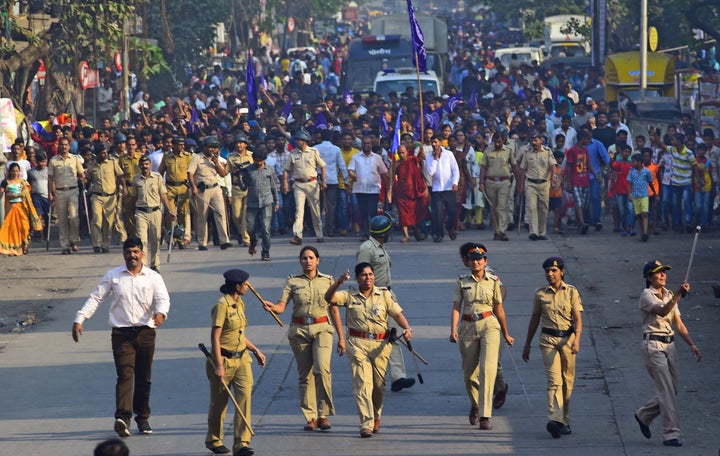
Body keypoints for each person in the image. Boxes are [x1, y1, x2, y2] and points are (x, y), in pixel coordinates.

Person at [72, 238, 171, 437]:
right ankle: (123, 418)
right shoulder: (113, 276)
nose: (132, 255)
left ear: (142, 254)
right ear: (124, 254)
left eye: (135, 252)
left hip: (145, 332)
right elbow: (96, 298)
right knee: (125, 375)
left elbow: (163, 299)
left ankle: (142, 418)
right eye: (128, 252)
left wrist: (161, 313)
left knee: (144, 377)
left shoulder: (152, 277)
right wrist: (80, 319)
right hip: (121, 334)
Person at [324, 262, 414, 438]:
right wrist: (338, 283)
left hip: (381, 346)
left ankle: (376, 415)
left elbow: (397, 314)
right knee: (363, 385)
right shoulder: (349, 295)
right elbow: (329, 299)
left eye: (371, 274)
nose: (368, 278)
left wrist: (407, 328)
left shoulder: (384, 295)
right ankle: (366, 422)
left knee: (379, 386)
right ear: (357, 278)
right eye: (364, 275)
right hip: (358, 344)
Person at [263, 246, 337, 430]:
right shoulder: (292, 282)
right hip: (300, 330)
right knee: (305, 375)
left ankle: (323, 414)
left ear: (318, 260)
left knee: (322, 370)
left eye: (311, 257)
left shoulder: (328, 281)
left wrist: (342, 338)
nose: (308, 261)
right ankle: (310, 417)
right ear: (300, 261)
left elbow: (334, 309)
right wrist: (273, 308)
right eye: (304, 258)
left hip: (322, 328)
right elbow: (282, 306)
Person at [633, 260, 701, 448]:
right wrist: (679, 294)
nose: (662, 275)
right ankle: (671, 434)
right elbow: (663, 312)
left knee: (672, 390)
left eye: (664, 272)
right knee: (667, 392)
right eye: (657, 273)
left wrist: (692, 344)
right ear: (648, 277)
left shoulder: (669, 295)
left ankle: (643, 415)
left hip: (670, 346)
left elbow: (677, 323)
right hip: (653, 346)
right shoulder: (646, 296)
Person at [450, 243, 514, 430]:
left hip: (490, 325)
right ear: (467, 262)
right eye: (472, 259)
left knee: (488, 369)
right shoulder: (462, 281)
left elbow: (499, 309)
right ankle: (475, 404)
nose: (476, 262)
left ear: (486, 261)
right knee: (470, 374)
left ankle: (486, 416)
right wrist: (453, 329)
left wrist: (506, 333)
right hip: (468, 326)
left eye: (480, 259)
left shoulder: (493, 280)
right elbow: (456, 307)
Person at [205, 269, 265, 456]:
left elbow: (239, 334)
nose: (248, 286)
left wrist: (255, 350)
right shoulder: (222, 305)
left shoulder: (240, 304)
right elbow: (215, 336)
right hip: (222, 359)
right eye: (245, 284)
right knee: (219, 403)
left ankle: (241, 443)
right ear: (238, 286)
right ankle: (214, 440)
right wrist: (219, 366)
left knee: (245, 398)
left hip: (242, 359)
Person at [522, 257, 583, 439]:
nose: (550, 274)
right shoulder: (540, 294)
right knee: (554, 381)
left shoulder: (571, 292)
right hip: (548, 339)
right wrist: (527, 344)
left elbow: (578, 318)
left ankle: (564, 420)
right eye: (547, 271)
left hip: (568, 340)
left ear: (561, 272)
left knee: (567, 381)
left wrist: (577, 339)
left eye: (554, 271)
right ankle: (554, 419)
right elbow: (534, 320)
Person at [358, 214, 415, 392]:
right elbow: (362, 274)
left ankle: (398, 376)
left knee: (393, 335)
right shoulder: (367, 248)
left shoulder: (380, 247)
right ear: (385, 233)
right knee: (375, 338)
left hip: (387, 294)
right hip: (375, 297)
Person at [188, 136, 233, 251]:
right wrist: (193, 187)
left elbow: (223, 174)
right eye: (211, 147)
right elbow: (190, 173)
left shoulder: (219, 159)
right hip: (203, 190)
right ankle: (202, 242)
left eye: (215, 147)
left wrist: (216, 162)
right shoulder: (197, 158)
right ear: (205, 147)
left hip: (216, 188)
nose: (213, 150)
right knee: (202, 216)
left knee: (220, 213)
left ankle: (224, 241)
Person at [133, 156, 175, 271]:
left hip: (155, 211)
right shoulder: (136, 179)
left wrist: (169, 210)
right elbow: (133, 197)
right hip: (141, 212)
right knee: (142, 240)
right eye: (142, 164)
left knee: (155, 239)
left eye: (146, 164)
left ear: (150, 165)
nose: (144, 166)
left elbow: (163, 195)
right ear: (139, 166)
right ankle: (144, 265)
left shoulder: (157, 177)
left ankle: (155, 264)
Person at [479, 131, 520, 241]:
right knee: (494, 208)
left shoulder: (508, 151)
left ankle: (502, 231)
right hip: (490, 182)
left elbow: (515, 166)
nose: (497, 144)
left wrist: (520, 182)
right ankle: (496, 231)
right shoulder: (487, 150)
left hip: (504, 182)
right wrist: (481, 182)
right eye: (495, 142)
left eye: (499, 142)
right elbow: (483, 167)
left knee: (503, 206)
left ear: (503, 140)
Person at [48, 136, 85, 254]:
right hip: (59, 192)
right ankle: (64, 245)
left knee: (73, 217)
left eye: (66, 145)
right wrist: (50, 193)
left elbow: (81, 174)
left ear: (69, 146)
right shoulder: (53, 161)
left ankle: (74, 240)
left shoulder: (74, 159)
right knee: (62, 220)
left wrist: (83, 179)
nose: (63, 147)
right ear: (58, 146)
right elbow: (50, 179)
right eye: (61, 144)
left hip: (73, 190)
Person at [241, 145, 278, 261]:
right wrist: (239, 180)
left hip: (267, 201)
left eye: (260, 160)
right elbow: (244, 187)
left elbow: (274, 187)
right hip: (252, 202)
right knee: (250, 227)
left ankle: (265, 251)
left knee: (266, 228)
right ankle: (253, 241)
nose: (258, 162)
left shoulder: (270, 169)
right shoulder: (248, 170)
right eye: (256, 160)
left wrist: (276, 202)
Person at [518, 130, 557, 241]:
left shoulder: (548, 151)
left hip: (544, 183)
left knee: (543, 208)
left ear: (541, 140)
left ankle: (541, 232)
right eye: (532, 140)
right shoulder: (527, 153)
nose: (534, 142)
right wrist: (520, 185)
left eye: (536, 140)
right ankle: (533, 232)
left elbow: (553, 166)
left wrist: (554, 178)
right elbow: (522, 169)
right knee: (531, 207)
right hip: (530, 183)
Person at [348, 136, 387, 241]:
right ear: (362, 145)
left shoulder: (377, 158)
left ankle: (375, 234)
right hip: (360, 189)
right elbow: (350, 170)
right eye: (364, 143)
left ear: (371, 145)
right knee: (364, 212)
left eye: (368, 143)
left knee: (373, 212)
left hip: (374, 189)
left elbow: (384, 172)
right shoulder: (356, 157)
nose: (366, 145)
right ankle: (366, 234)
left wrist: (388, 188)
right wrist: (353, 175)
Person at [87, 142, 124, 253]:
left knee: (108, 222)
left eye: (105, 153)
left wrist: (123, 188)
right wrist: (83, 180)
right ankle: (97, 244)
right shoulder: (92, 166)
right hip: (97, 196)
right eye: (102, 153)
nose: (104, 155)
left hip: (110, 197)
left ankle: (105, 243)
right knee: (97, 219)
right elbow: (88, 180)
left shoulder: (112, 163)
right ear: (97, 154)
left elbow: (120, 175)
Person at [386, 143, 427, 242]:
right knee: (403, 214)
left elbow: (421, 174)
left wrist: (425, 187)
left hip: (414, 191)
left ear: (407, 152)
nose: (401, 155)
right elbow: (391, 178)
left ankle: (417, 233)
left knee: (415, 213)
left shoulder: (413, 160)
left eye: (403, 153)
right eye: (399, 153)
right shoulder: (396, 164)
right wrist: (389, 192)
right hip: (401, 192)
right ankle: (406, 235)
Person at [157, 136, 193, 248]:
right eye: (180, 145)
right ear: (174, 145)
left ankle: (181, 238)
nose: (182, 147)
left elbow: (191, 172)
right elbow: (160, 172)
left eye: (183, 145)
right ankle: (172, 237)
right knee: (171, 214)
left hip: (183, 187)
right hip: (170, 187)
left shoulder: (187, 157)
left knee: (183, 213)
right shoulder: (167, 157)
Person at [0, 163, 43, 255]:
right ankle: (12, 248)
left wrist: (17, 195)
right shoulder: (5, 182)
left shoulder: (23, 182)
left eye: (17, 171)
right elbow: (1, 192)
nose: (15, 173)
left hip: (22, 208)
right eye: (13, 171)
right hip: (10, 207)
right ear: (9, 172)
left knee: (24, 227)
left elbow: (26, 193)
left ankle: (25, 246)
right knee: (11, 228)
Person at [426, 136, 460, 242]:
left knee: (452, 211)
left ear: (440, 142)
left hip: (449, 187)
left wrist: (455, 182)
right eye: (432, 142)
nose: (434, 144)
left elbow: (455, 169)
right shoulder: (429, 156)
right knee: (438, 213)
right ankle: (439, 234)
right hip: (436, 189)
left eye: (436, 142)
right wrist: (435, 158)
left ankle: (450, 227)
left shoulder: (448, 154)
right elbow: (430, 172)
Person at [226, 134, 254, 246]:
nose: (239, 145)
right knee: (236, 215)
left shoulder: (251, 156)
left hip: (248, 188)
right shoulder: (231, 157)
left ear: (246, 144)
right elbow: (225, 172)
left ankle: (246, 238)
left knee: (245, 215)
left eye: (241, 142)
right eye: (237, 143)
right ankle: (240, 232)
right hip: (236, 188)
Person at [627, 153, 654, 242]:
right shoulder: (631, 172)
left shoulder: (646, 172)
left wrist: (654, 193)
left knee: (645, 214)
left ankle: (645, 232)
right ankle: (643, 232)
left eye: (633, 161)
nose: (632, 163)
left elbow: (650, 182)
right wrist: (629, 194)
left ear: (639, 162)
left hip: (644, 195)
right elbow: (629, 183)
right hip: (635, 196)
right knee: (638, 215)